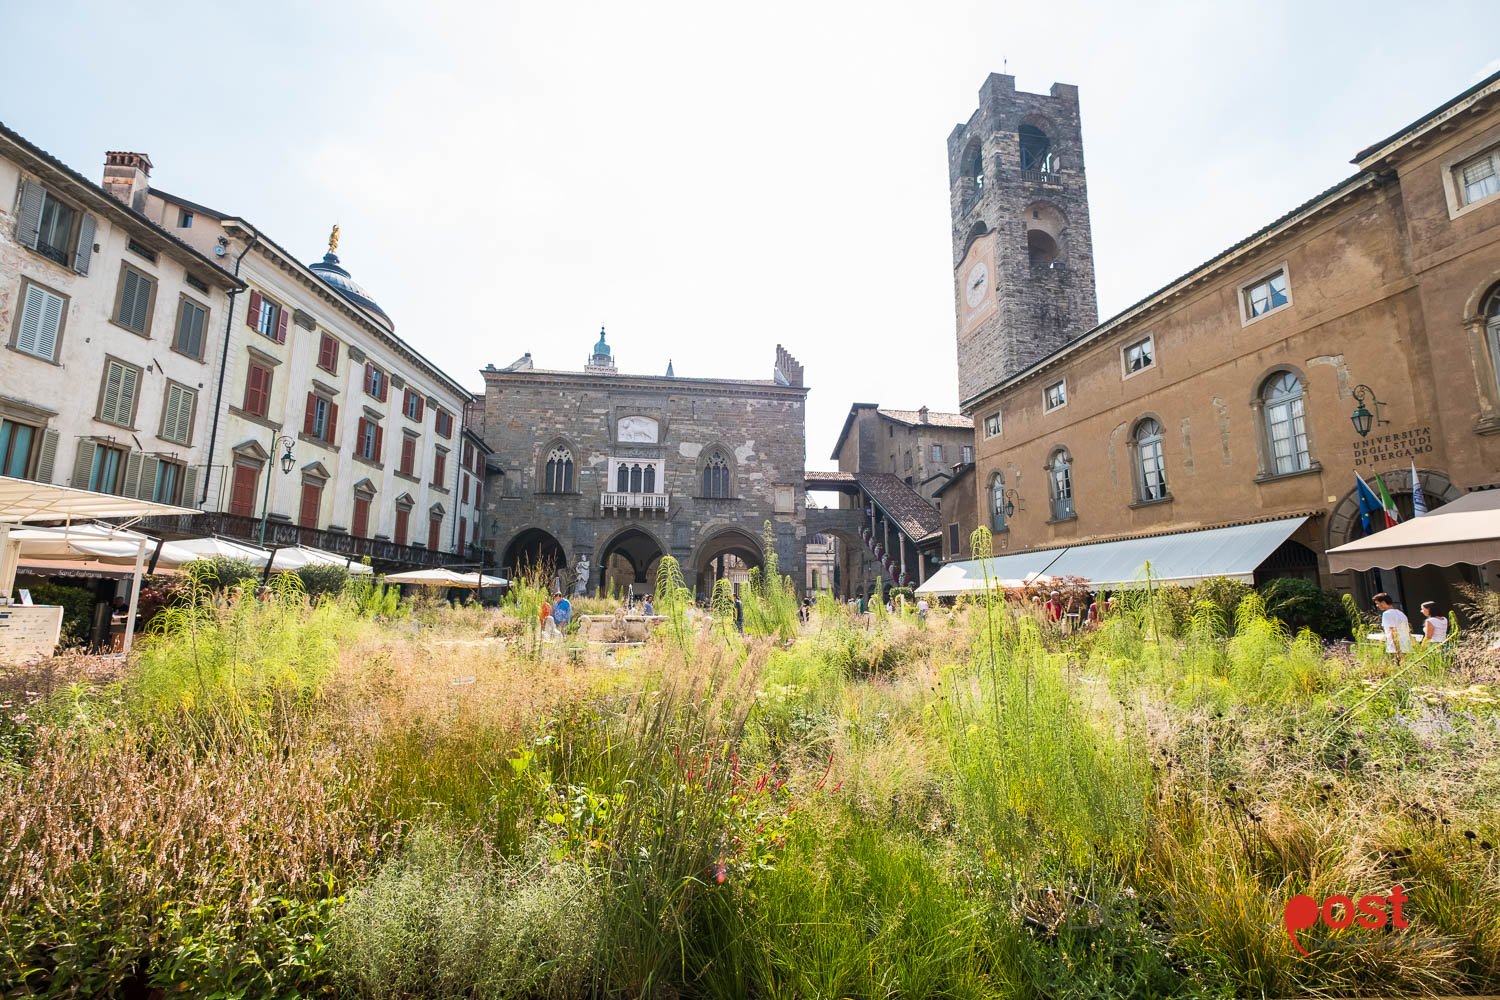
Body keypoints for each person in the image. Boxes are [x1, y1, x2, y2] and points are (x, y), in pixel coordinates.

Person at [1374, 592, 1411, 662]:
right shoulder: (1401, 613)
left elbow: (1393, 632)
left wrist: (1397, 650)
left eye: (1377, 603)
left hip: (1395, 648)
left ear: (1383, 602)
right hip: (1406, 646)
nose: (1377, 606)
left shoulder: (1387, 614)